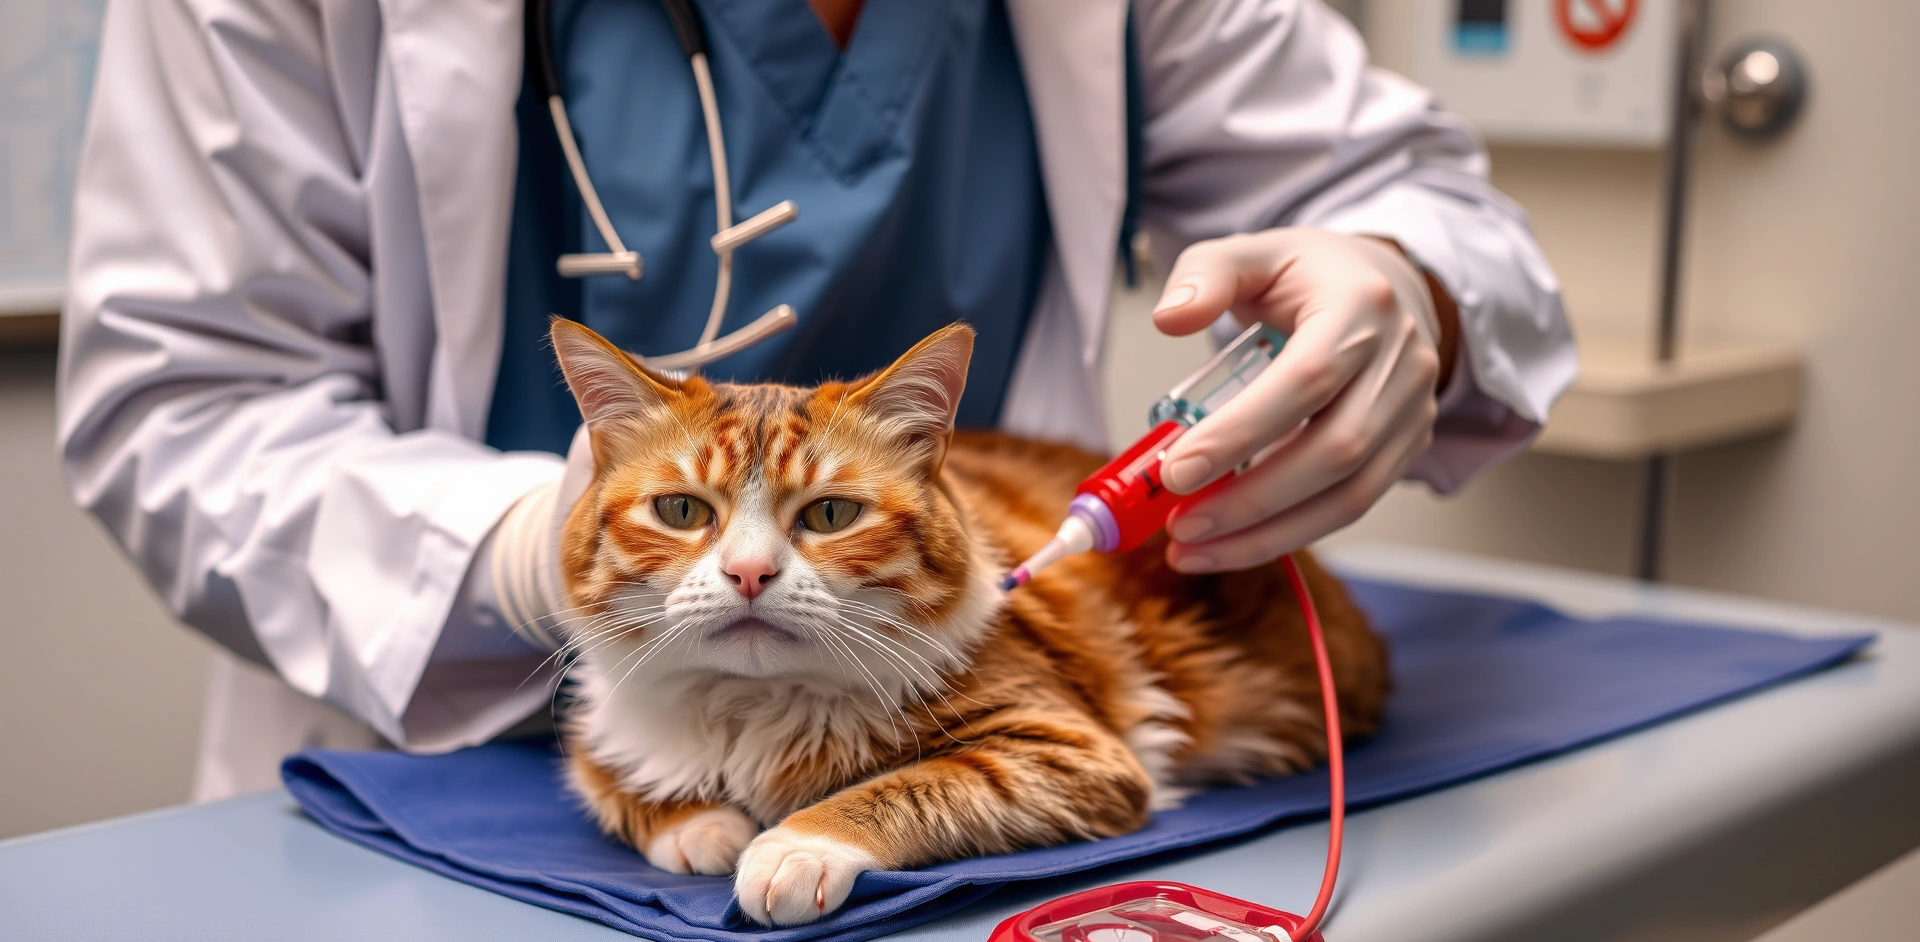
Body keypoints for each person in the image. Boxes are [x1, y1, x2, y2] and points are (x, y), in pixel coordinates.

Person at [57, 0, 1574, 799]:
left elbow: (1422, 197)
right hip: (465, 759)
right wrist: (551, 552)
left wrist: (1404, 287)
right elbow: (183, 402)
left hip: (945, 728)